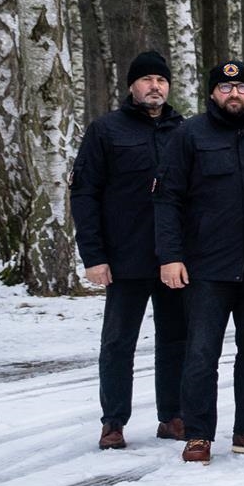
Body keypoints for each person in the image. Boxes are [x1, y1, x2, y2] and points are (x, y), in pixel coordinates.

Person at [155, 59, 244, 462]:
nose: (235, 94)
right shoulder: (189, 135)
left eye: (242, 88)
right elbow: (167, 199)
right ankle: (198, 434)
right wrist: (171, 256)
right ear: (213, 92)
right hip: (206, 267)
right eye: (226, 88)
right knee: (200, 354)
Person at [73, 49, 185, 448]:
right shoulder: (107, 131)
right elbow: (84, 193)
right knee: (119, 342)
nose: (155, 86)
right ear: (132, 86)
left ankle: (172, 416)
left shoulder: (182, 131)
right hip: (124, 257)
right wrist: (94, 256)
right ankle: (114, 421)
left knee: (176, 339)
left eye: (161, 80)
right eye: (146, 80)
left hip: (173, 258)